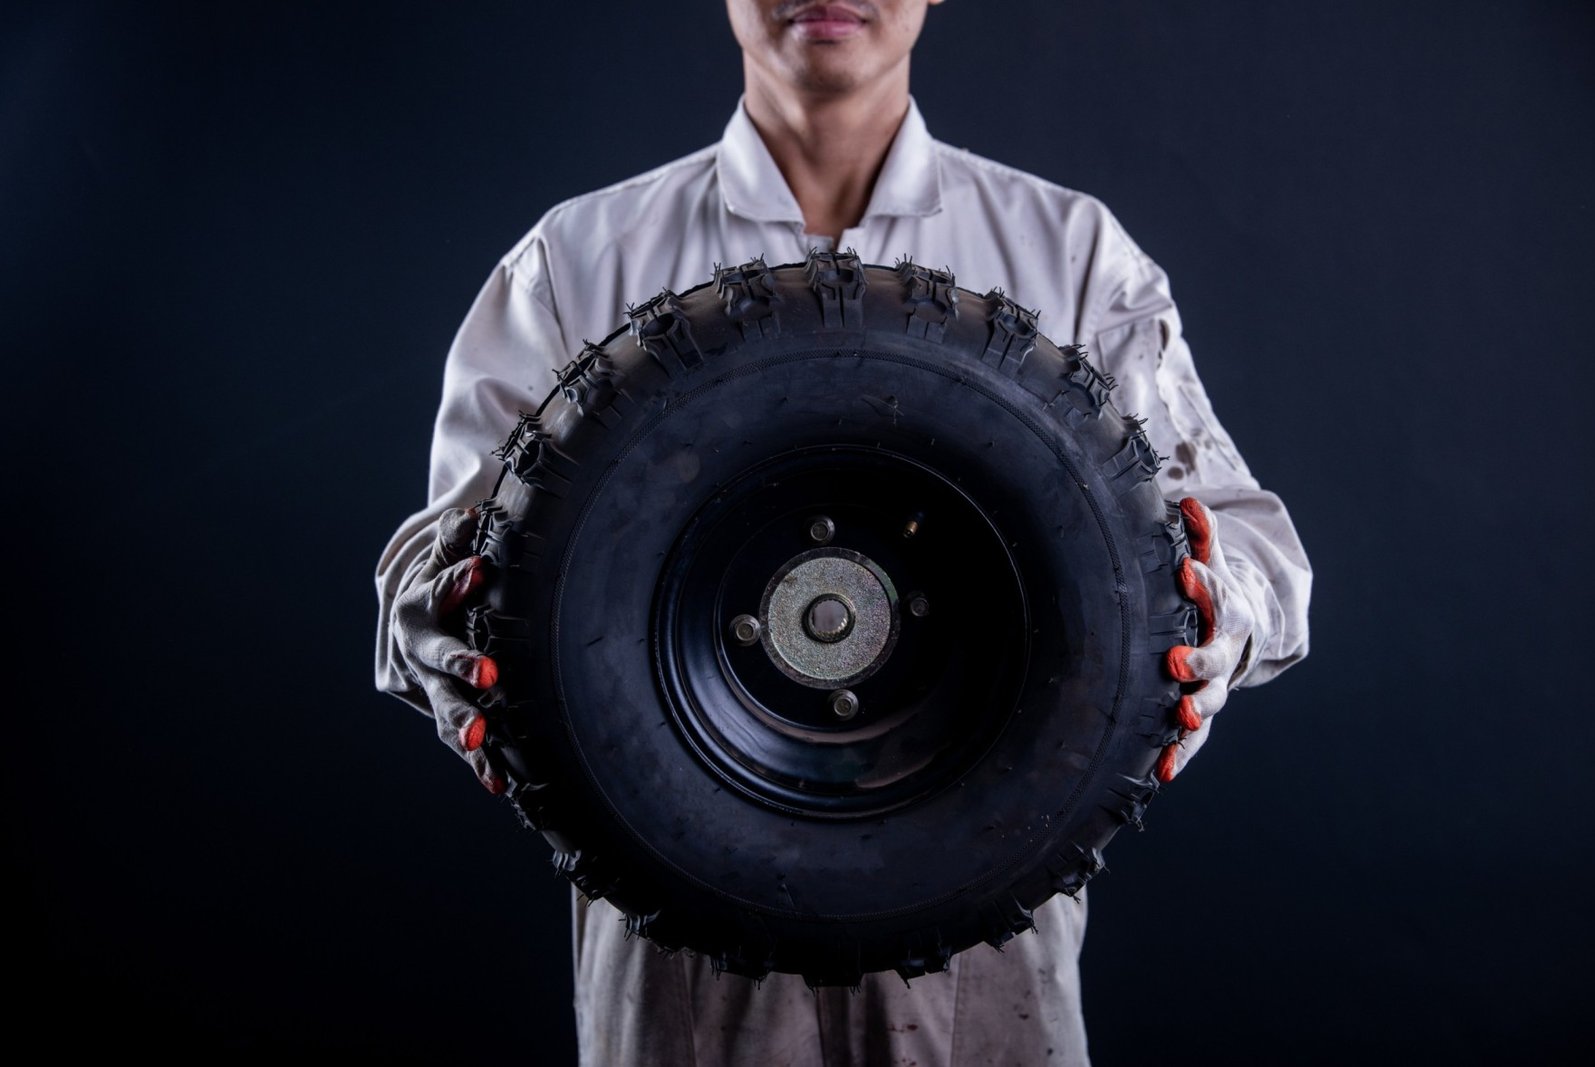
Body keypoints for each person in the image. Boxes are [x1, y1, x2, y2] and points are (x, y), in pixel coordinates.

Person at [375, 1, 1312, 1063]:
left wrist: (1205, 611)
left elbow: (1253, 548)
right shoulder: (580, 258)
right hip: (681, 949)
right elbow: (435, 557)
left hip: (986, 949)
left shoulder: (1068, 254)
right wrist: (444, 619)